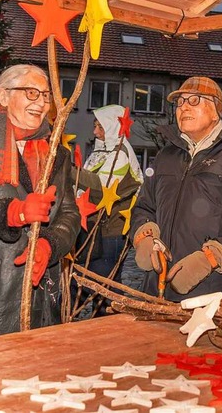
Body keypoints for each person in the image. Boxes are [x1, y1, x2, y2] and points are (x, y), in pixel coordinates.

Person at [130, 76, 222, 301]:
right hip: (155, 287)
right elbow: (144, 206)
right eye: (180, 102)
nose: (184, 107)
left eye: (194, 100)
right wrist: (144, 235)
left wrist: (211, 258)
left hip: (210, 290)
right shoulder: (166, 155)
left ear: (216, 108)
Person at [0, 64, 80, 339]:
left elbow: (69, 213)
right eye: (32, 93)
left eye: (46, 96)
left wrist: (50, 244)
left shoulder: (57, 154)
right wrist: (14, 213)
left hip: (44, 296)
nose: (42, 103)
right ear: (5, 95)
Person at [74, 104, 143, 314]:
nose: (95, 132)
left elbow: (101, 189)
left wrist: (70, 172)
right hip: (94, 226)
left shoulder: (120, 154)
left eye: (100, 126)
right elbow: (80, 188)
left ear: (113, 126)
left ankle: (110, 328)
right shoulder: (100, 152)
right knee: (94, 281)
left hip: (112, 229)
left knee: (106, 284)